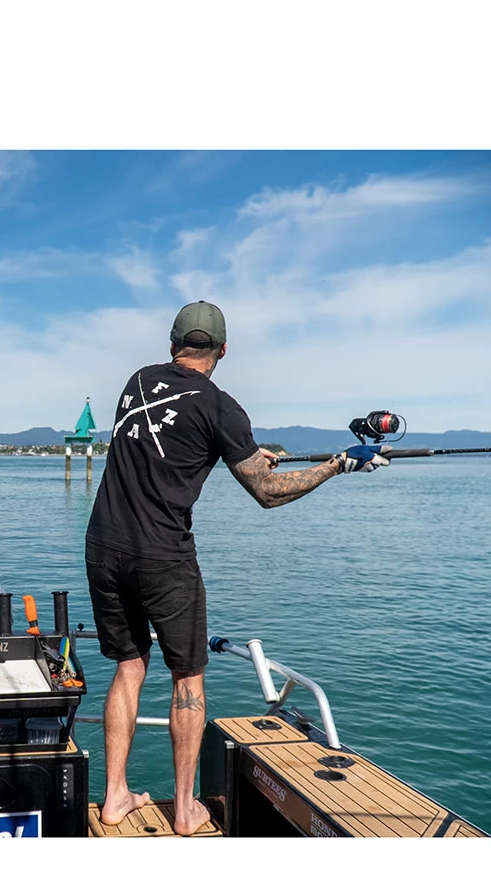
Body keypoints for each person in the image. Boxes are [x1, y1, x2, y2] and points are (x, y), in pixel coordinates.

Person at [85, 301, 389, 835]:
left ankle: (114, 798)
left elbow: (171, 443)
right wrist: (337, 465)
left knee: (129, 666)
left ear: (173, 343)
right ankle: (185, 810)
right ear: (223, 350)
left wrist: (244, 450)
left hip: (103, 547)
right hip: (164, 557)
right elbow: (267, 493)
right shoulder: (221, 407)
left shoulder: (137, 382)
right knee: (187, 676)